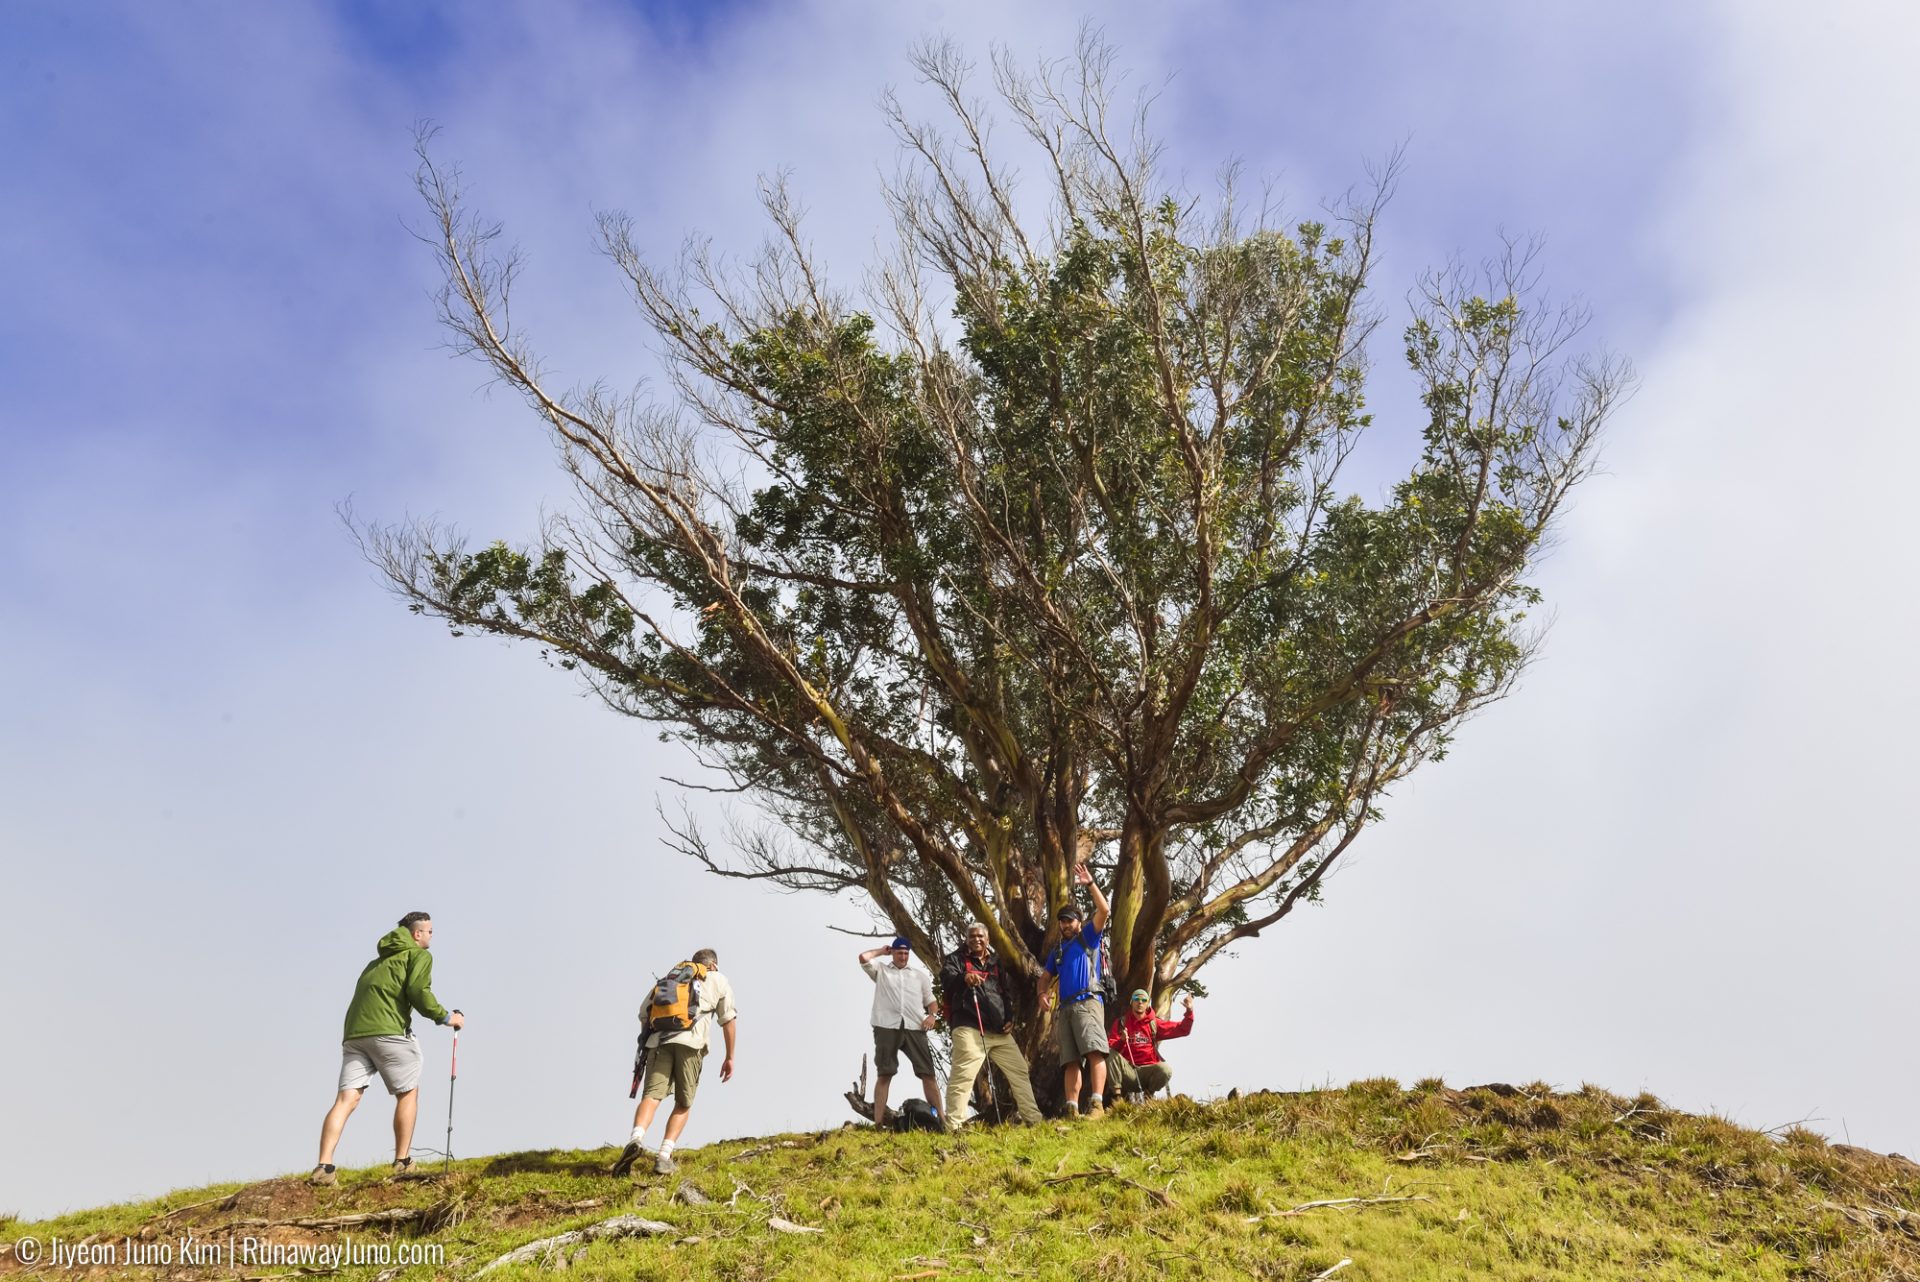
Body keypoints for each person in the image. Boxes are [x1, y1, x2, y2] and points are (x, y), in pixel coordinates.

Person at [312, 912, 463, 1185]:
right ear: (417, 934)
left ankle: (324, 1167)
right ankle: (402, 1162)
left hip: (355, 1035)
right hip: (389, 1032)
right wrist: (445, 1017)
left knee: (346, 1100)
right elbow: (418, 991)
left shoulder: (376, 962)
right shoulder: (419, 956)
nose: (432, 935)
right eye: (429, 931)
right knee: (408, 1093)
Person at [611, 948, 738, 1177]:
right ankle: (664, 1156)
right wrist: (729, 1057)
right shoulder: (718, 978)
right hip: (691, 1044)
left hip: (658, 1043)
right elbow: (728, 1019)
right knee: (683, 1103)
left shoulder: (671, 979)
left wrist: (647, 1043)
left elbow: (644, 1013)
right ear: (713, 965)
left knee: (652, 1096)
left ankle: (636, 1138)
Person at [939, 923, 1043, 1127]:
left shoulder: (995, 962)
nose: (976, 939)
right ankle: (954, 1126)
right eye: (972, 936)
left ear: (987, 939)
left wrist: (1009, 1018)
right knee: (964, 1075)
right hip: (969, 1026)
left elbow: (1004, 993)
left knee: (1019, 1070)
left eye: (980, 936)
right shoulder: (956, 959)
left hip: (998, 1030)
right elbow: (947, 979)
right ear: (966, 939)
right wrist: (964, 977)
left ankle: (1034, 1119)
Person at [1044, 862, 1110, 1118]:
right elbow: (1045, 976)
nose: (1065, 925)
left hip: (1087, 1001)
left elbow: (1104, 910)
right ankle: (1072, 1108)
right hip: (1066, 1008)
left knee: (1094, 1051)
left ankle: (1097, 1105)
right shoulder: (1058, 951)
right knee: (1070, 1061)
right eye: (1062, 921)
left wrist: (1090, 884)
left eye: (1069, 920)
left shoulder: (1088, 937)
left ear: (1079, 922)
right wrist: (1041, 993)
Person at [858, 937, 940, 1128]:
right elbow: (863, 957)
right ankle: (878, 1124)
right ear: (893, 953)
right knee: (885, 1074)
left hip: (914, 1027)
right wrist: (881, 951)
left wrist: (932, 1016)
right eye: (899, 953)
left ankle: (941, 1121)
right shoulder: (881, 971)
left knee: (928, 1073)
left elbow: (932, 1001)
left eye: (905, 953)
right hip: (886, 1027)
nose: (903, 956)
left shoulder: (919, 976)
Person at [1107, 990, 1194, 1100]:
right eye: (1136, 999)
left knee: (1165, 1070)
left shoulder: (1154, 1023)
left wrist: (1189, 1011)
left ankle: (1148, 1096)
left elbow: (1183, 1029)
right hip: (1128, 1072)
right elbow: (1112, 1047)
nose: (1140, 1002)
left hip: (1148, 1073)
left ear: (1148, 1003)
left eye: (1144, 1000)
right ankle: (1117, 1098)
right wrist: (1122, 1040)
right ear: (1131, 1002)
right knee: (1109, 1053)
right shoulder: (1121, 1023)